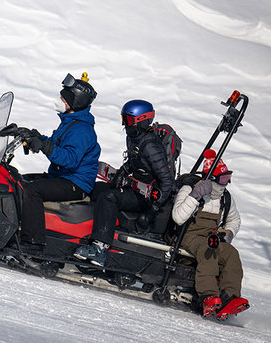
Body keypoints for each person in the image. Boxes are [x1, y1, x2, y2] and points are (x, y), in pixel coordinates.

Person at [73, 99, 174, 266]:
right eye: (123, 119)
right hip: (134, 185)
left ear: (141, 120)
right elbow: (137, 160)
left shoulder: (150, 145)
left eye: (127, 120)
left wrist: (153, 209)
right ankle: (75, 229)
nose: (125, 125)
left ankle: (100, 249)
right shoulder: (135, 138)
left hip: (147, 196)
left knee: (109, 197)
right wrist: (123, 171)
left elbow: (167, 180)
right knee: (95, 188)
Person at [17, 73, 101, 249]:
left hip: (75, 184)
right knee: (19, 180)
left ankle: (34, 242)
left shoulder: (82, 130)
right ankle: (18, 228)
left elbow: (70, 159)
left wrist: (43, 146)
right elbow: (58, 143)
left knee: (33, 191)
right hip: (62, 177)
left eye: (63, 98)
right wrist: (35, 137)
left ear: (74, 102)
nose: (59, 101)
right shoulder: (71, 121)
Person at [171, 149, 249, 320]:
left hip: (210, 238)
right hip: (186, 236)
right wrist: (195, 195)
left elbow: (234, 220)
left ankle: (229, 298)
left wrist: (227, 234)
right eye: (222, 179)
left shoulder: (225, 198)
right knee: (209, 250)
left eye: (228, 178)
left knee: (231, 254)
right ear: (211, 179)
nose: (225, 184)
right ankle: (208, 296)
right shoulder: (189, 189)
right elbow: (178, 217)